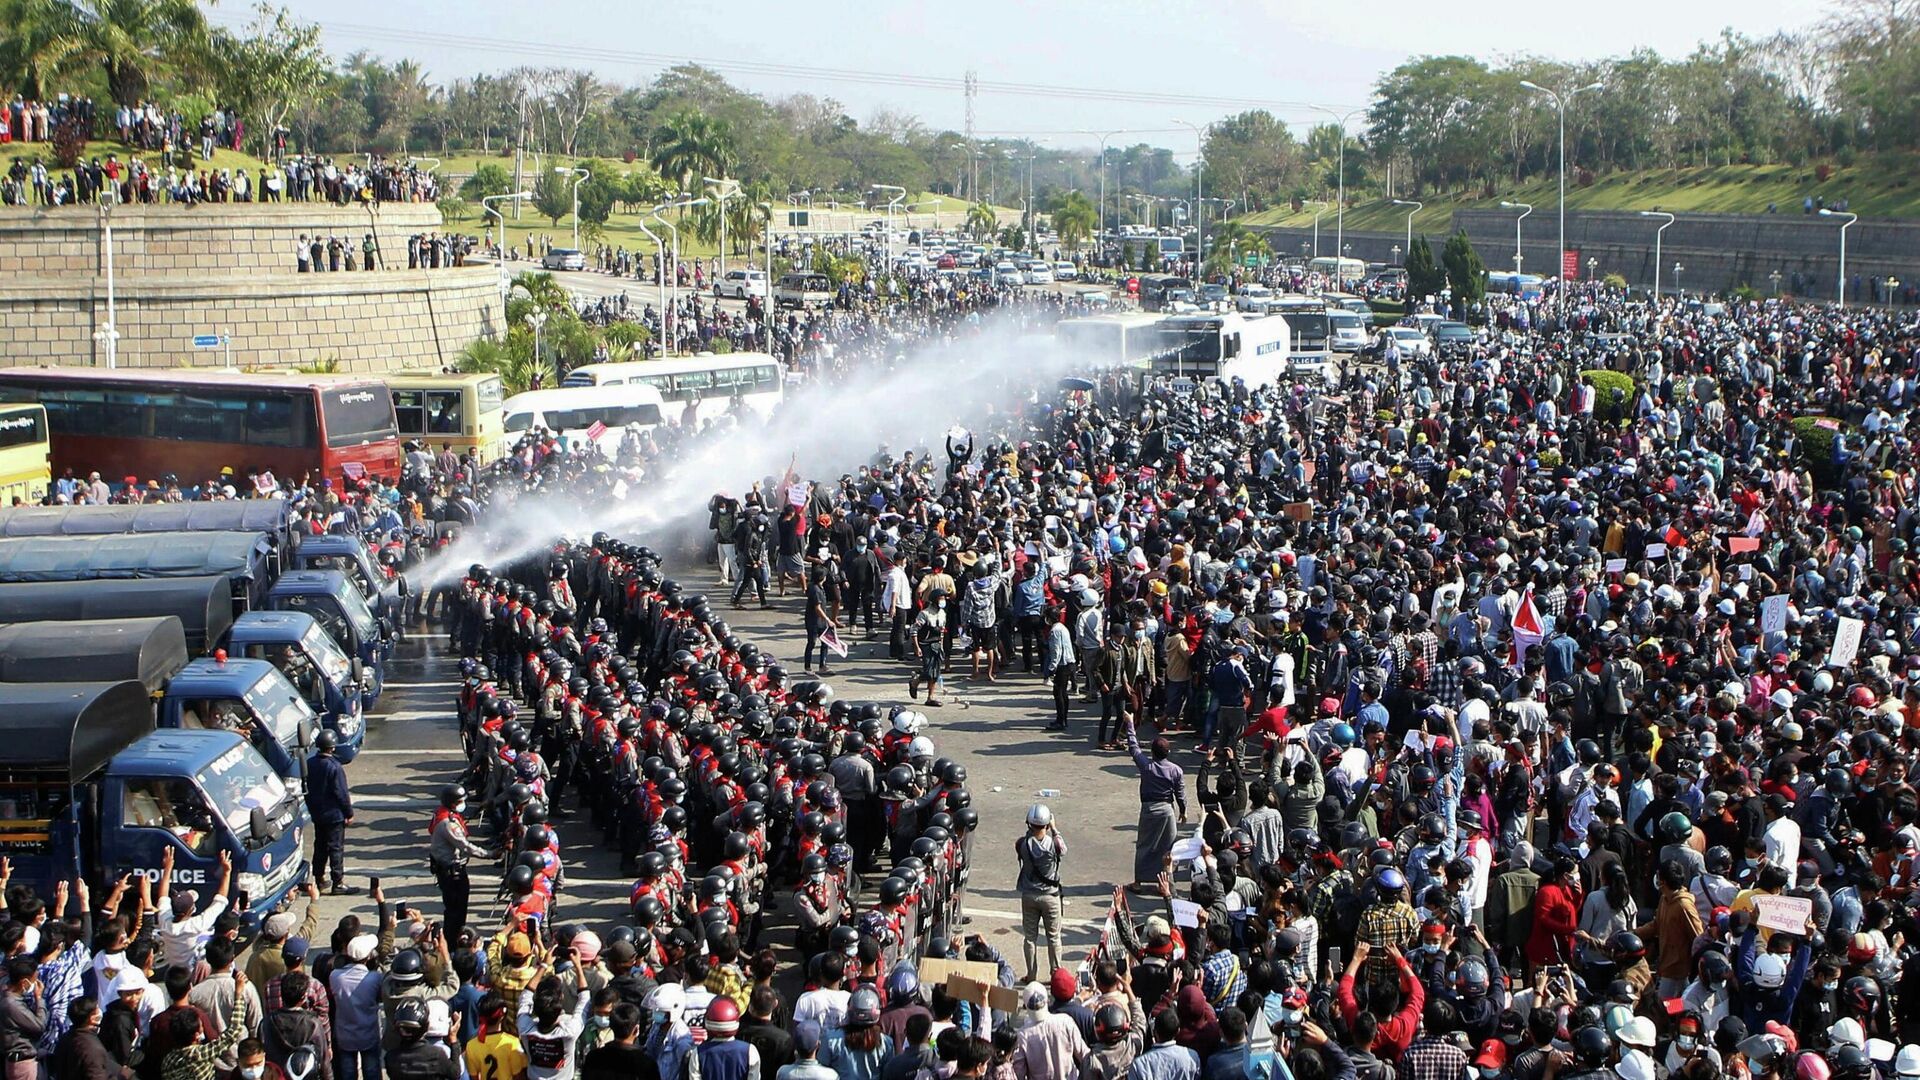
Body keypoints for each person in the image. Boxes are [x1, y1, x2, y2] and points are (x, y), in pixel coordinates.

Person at [1125, 719, 1186, 890]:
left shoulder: (1147, 767)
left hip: (1149, 809)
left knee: (1144, 844)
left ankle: (1138, 882)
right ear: (1168, 752)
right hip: (1167, 811)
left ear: (1152, 752)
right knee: (1168, 847)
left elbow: (1134, 748)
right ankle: (1164, 883)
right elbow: (1180, 793)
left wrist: (1130, 724)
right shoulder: (1176, 770)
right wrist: (1183, 810)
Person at [1015, 805, 1067, 984]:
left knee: (1030, 938)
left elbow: (1024, 844)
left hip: (1029, 895)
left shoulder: (1022, 844)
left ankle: (1031, 975)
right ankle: (1056, 975)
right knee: (1054, 937)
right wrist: (1054, 828)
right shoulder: (1054, 844)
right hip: (1050, 896)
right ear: (1046, 824)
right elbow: (1063, 849)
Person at [306, 730, 356, 895]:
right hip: (334, 815)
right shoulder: (334, 766)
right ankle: (338, 882)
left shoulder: (310, 763)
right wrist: (348, 813)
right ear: (332, 747)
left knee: (320, 846)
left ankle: (319, 878)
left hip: (318, 813)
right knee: (335, 848)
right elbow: (341, 793)